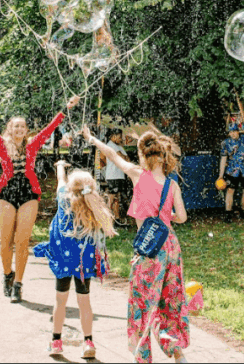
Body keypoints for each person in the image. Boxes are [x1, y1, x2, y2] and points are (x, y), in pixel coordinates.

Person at [88, 126, 189, 363]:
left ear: (143, 156)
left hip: (149, 249)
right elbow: (182, 217)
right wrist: (167, 217)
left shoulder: (137, 174)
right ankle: (176, 351)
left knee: (143, 301)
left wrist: (92, 139)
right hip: (170, 246)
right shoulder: (172, 185)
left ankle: (143, 357)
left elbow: (112, 155)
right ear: (163, 157)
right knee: (171, 298)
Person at [0, 90, 79, 303]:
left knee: (22, 240)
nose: (19, 128)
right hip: (6, 192)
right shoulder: (2, 145)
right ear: (10, 129)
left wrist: (67, 107)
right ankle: (7, 274)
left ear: (26, 130)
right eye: (15, 125)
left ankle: (18, 284)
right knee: (5, 242)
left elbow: (51, 127)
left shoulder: (33, 144)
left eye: (22, 126)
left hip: (28, 192)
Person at [35, 161, 116, 359]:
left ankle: (56, 341)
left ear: (71, 187)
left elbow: (61, 179)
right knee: (84, 302)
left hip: (63, 260)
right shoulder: (91, 203)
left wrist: (60, 165)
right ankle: (88, 342)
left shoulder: (63, 197)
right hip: (83, 263)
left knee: (60, 301)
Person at [218, 123, 244, 223]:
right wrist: (220, 176)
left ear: (238, 131)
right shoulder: (225, 143)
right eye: (230, 132)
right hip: (232, 170)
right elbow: (223, 159)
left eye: (234, 131)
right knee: (230, 190)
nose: (232, 134)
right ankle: (228, 214)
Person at [103, 128, 131, 227]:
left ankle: (117, 219)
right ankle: (104, 219)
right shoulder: (111, 145)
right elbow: (123, 157)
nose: (120, 139)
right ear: (113, 136)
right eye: (119, 137)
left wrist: (125, 157)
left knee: (116, 199)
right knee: (111, 198)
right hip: (113, 175)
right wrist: (125, 157)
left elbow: (127, 158)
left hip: (119, 175)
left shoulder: (118, 146)